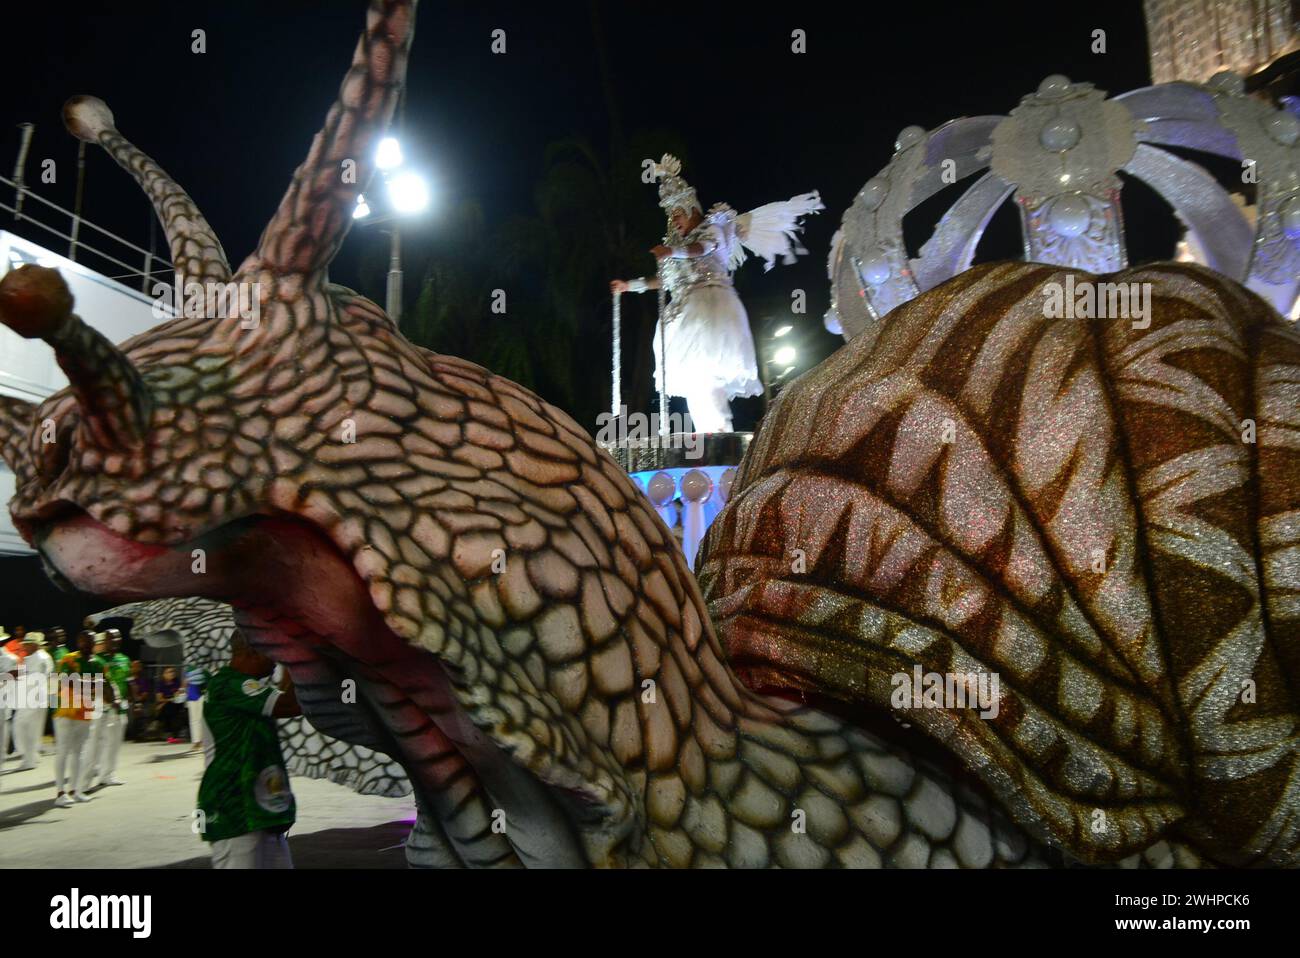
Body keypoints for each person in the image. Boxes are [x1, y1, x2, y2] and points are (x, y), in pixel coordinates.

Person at [610, 154, 822, 433]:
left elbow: (704, 249)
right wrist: (630, 286)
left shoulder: (715, 227)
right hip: (684, 315)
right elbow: (664, 281)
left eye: (679, 213)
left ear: (692, 207)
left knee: (708, 377)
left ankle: (720, 432)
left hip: (710, 308)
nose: (674, 221)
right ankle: (708, 436)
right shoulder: (679, 245)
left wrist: (673, 251)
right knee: (695, 384)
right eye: (671, 216)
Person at [197, 631, 301, 868]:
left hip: (258, 807)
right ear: (253, 650)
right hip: (234, 808)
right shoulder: (228, 684)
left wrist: (292, 660)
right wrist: (297, 656)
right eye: (272, 652)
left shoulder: (243, 687)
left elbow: (285, 699)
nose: (275, 659)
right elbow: (290, 704)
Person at [53, 630, 114, 806]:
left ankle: (75, 790)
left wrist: (113, 700)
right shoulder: (69, 659)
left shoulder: (99, 663)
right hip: (66, 710)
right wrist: (95, 684)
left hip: (86, 710)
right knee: (63, 750)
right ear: (78, 642)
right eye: (84, 641)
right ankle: (60, 793)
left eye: (90, 641)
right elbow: (67, 681)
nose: (87, 644)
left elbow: (107, 686)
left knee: (79, 751)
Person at [87, 631, 129, 787]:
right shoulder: (97, 660)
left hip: (120, 707)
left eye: (118, 637)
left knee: (114, 742)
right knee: (95, 741)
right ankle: (86, 777)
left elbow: (127, 681)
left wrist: (133, 700)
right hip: (101, 706)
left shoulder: (124, 659)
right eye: (111, 638)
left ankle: (108, 775)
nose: (116, 641)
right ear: (104, 641)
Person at [12, 630, 54, 771]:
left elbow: (33, 677)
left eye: (27, 644)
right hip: (37, 698)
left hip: (32, 698)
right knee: (32, 729)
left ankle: (28, 759)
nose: (24, 646)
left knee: (21, 726)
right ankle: (32, 756)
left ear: (35, 645)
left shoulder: (38, 657)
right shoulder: (38, 656)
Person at [155, 666, 187, 742]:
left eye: (173, 671)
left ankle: (169, 732)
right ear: (164, 674)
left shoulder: (177, 682)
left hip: (177, 704)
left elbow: (180, 694)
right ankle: (172, 733)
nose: (172, 673)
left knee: (169, 707)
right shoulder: (160, 684)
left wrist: (167, 700)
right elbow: (159, 699)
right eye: (169, 672)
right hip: (168, 706)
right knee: (168, 708)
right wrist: (170, 699)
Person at [184, 663, 208, 751]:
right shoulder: (188, 668)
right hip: (191, 696)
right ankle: (196, 742)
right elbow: (186, 682)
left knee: (201, 719)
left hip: (202, 695)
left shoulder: (204, 668)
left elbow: (207, 682)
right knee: (193, 720)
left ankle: (202, 741)